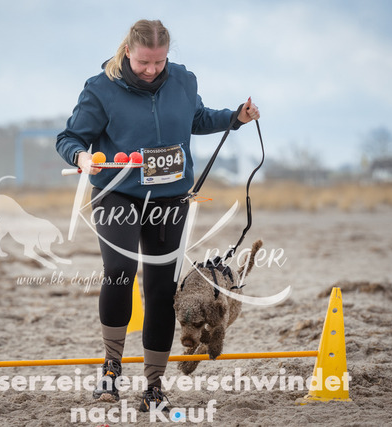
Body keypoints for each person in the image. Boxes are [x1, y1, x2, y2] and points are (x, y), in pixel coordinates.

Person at [56, 19, 260, 413]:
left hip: (170, 198)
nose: (151, 70)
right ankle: (111, 368)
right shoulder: (100, 88)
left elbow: (196, 119)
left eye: (159, 62)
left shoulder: (183, 80)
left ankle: (154, 385)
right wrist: (80, 157)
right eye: (143, 62)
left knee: (162, 290)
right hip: (117, 194)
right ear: (127, 52)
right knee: (120, 271)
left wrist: (236, 117)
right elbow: (70, 138)